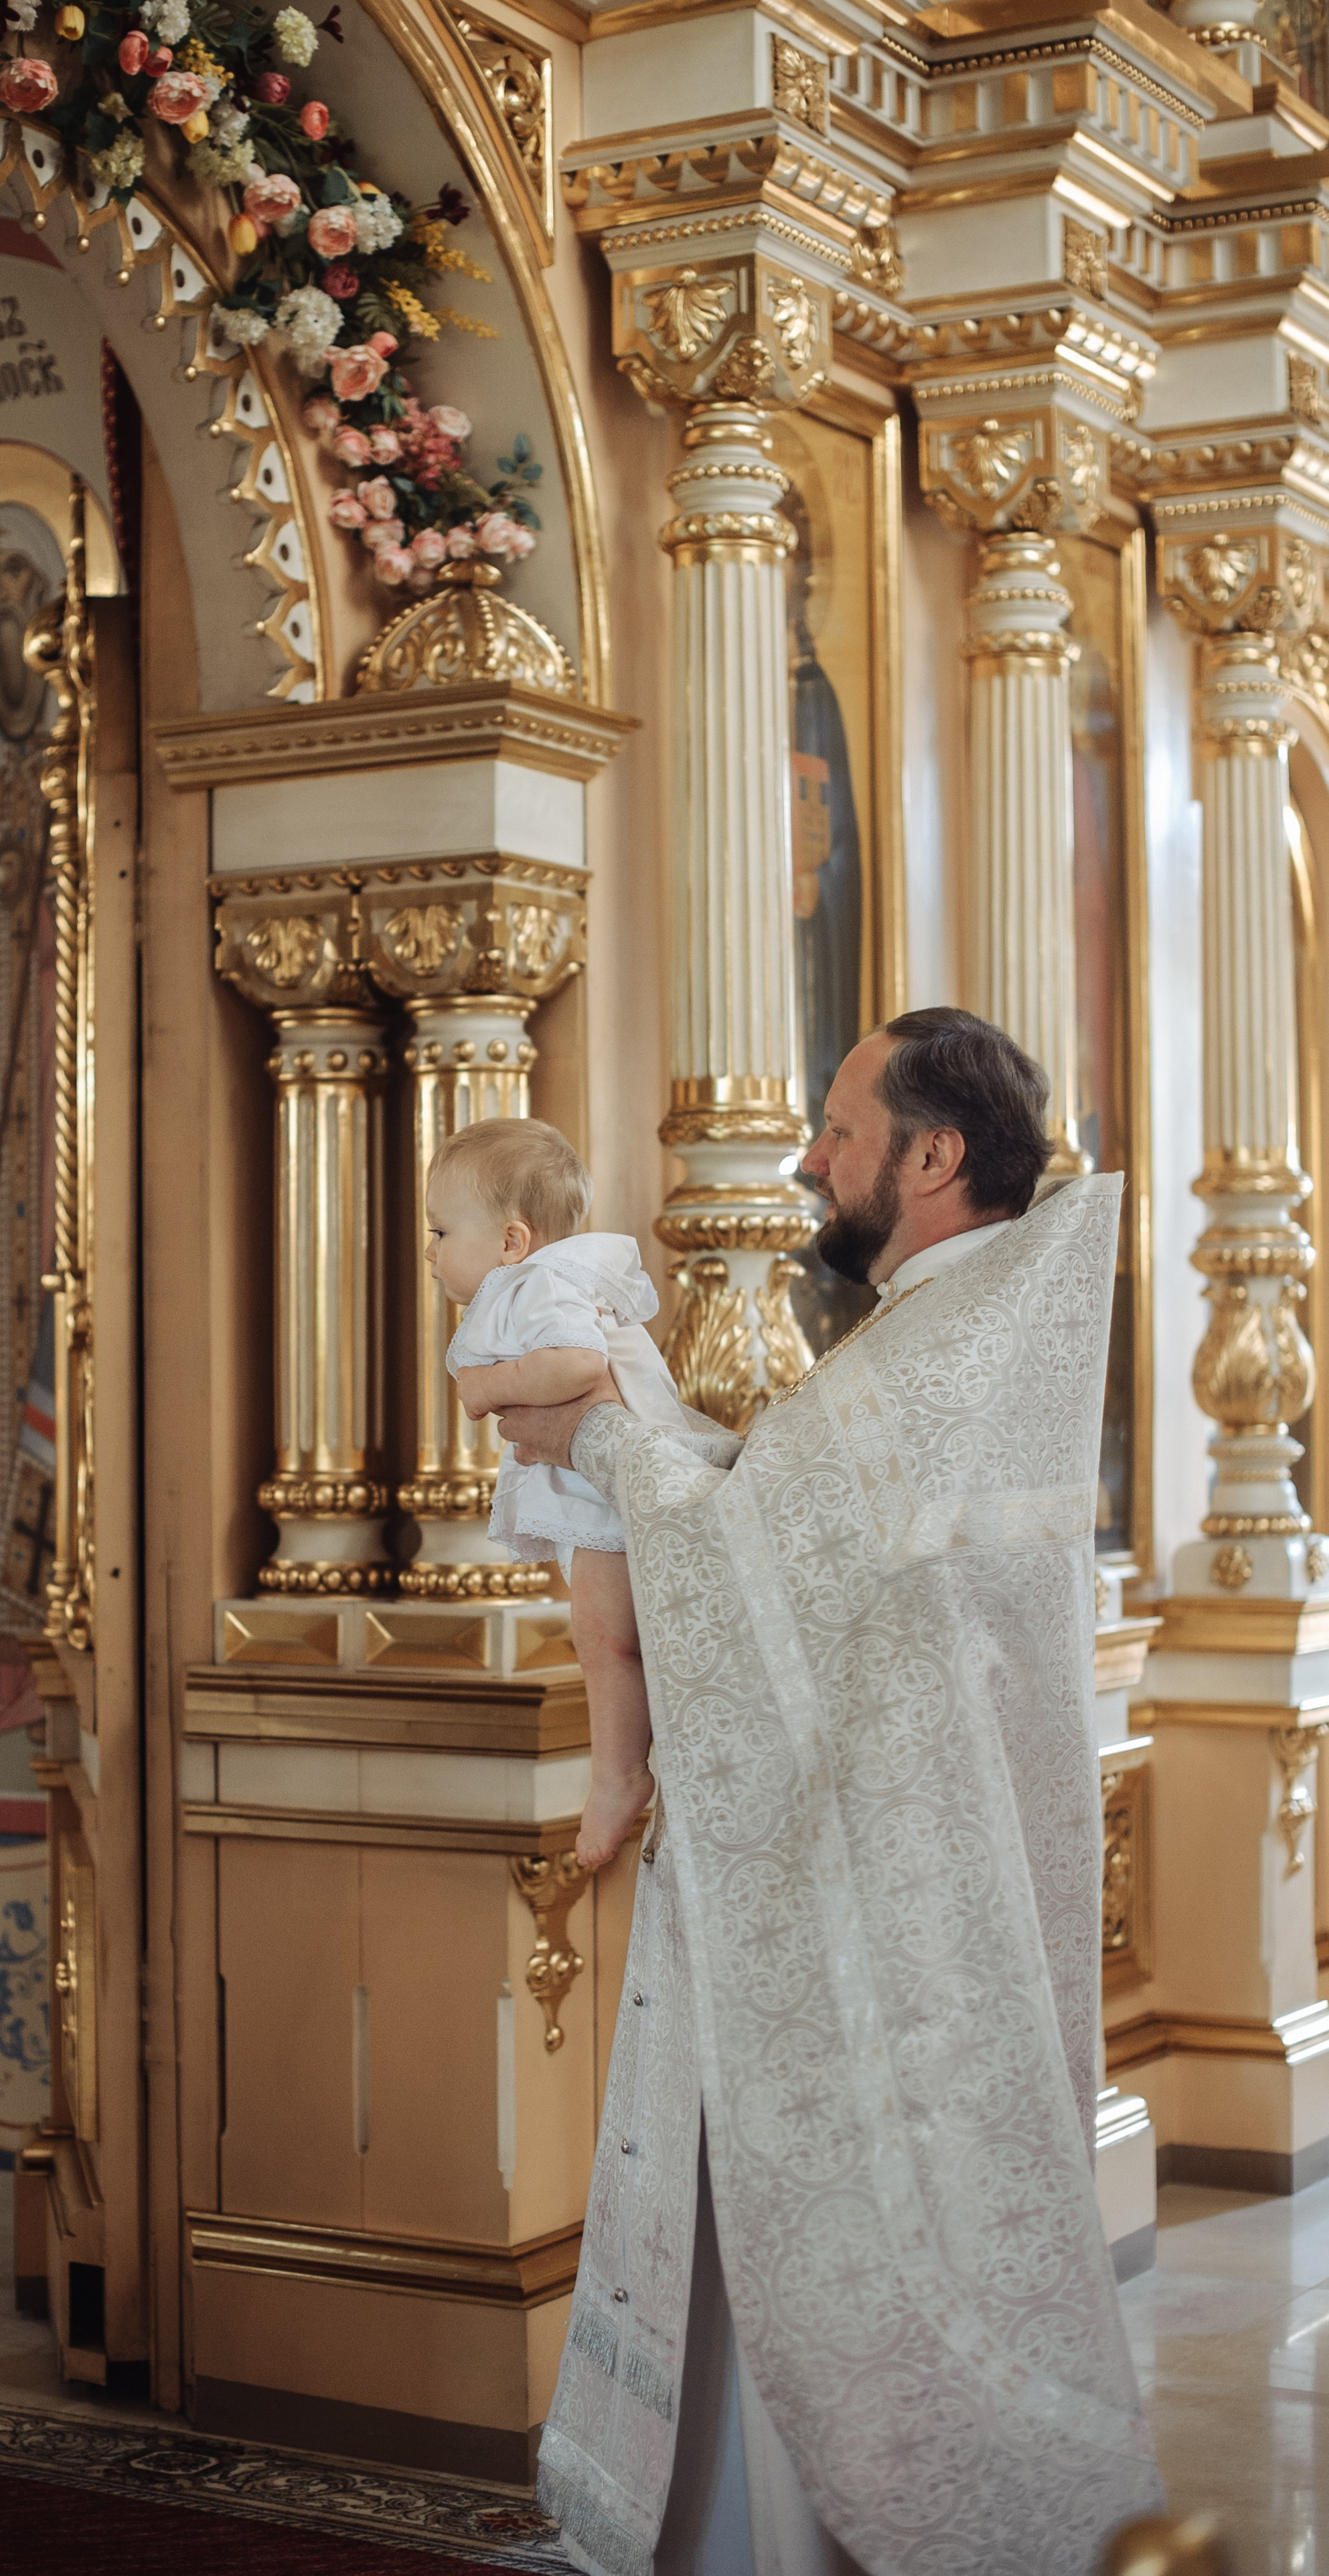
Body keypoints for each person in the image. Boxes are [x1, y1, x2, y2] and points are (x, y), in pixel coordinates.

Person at [500, 1009, 1166, 2576]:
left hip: (875, 1915)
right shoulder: (956, 1333)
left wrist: (598, 1432)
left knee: (851, 2248)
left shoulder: (935, 1350)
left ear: (931, 1156)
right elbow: (780, 1527)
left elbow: (748, 1567)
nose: (811, 1157)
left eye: (841, 1128)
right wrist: (651, 1437)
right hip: (888, 1887)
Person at [426, 1118, 707, 1870]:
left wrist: (489, 1384)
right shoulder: (537, 1281)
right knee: (601, 1633)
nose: (430, 1250)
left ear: (511, 1241)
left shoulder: (540, 1283)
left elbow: (578, 1366)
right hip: (608, 1487)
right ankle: (620, 1772)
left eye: (442, 1231)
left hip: (616, 1489)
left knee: (603, 1637)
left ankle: (619, 1777)